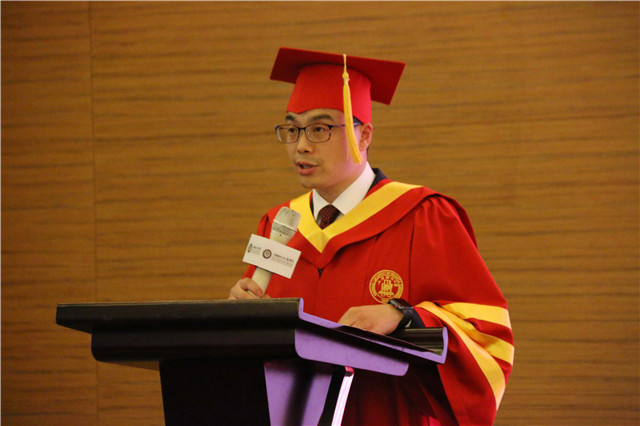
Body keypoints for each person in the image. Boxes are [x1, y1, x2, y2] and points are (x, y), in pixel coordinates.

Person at [228, 47, 514, 425]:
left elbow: (486, 337)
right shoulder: (278, 223)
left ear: (364, 135)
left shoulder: (423, 216)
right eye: (292, 129)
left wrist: (404, 316)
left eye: (320, 128)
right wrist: (240, 316)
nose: (301, 145)